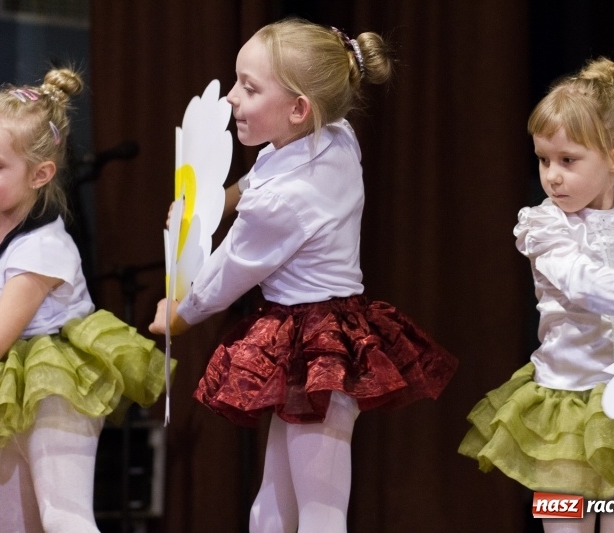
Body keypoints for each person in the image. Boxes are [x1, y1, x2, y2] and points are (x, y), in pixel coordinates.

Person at [150, 17, 457, 533]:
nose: (230, 98)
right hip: (308, 334)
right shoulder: (335, 137)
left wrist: (182, 313)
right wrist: (219, 200)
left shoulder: (284, 202)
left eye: (249, 88)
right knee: (272, 507)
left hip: (321, 345)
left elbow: (230, 270)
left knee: (320, 510)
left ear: (298, 108)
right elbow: (262, 174)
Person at [0, 68, 165, 532]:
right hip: (13, 379)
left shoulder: (42, 250)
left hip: (57, 382)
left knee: (64, 518)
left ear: (41, 173)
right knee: (14, 522)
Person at [459, 57, 614, 533]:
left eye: (568, 161)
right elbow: (580, 280)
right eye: (544, 160)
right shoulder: (546, 225)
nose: (552, 175)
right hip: (564, 409)